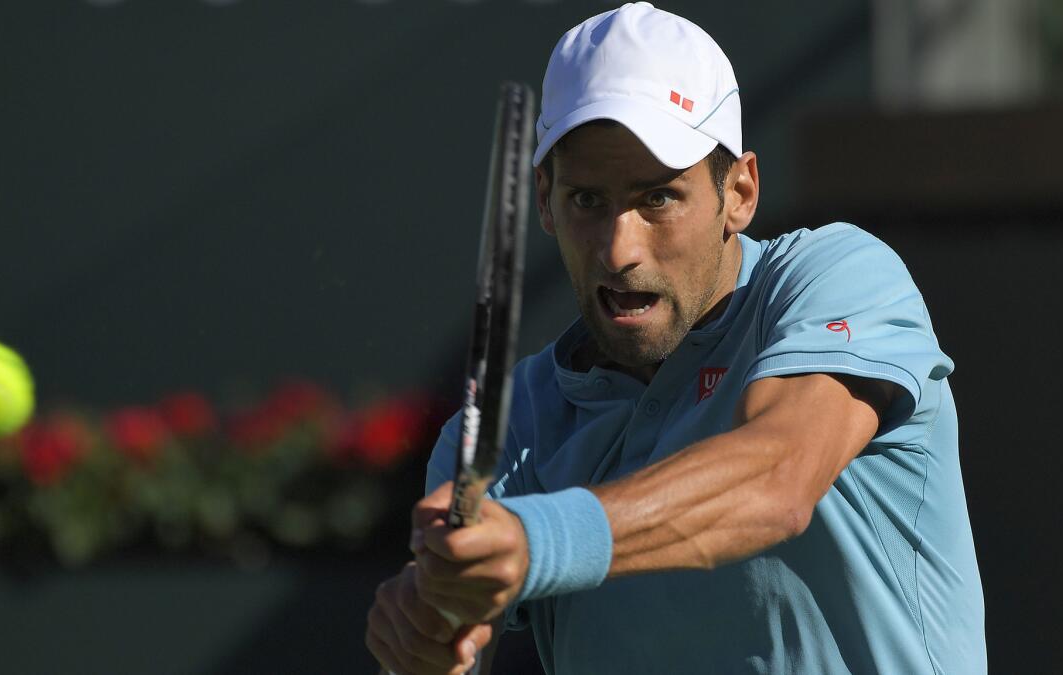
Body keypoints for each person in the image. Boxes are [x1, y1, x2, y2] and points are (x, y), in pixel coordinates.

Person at [366, 3, 987, 674]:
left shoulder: (839, 276)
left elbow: (778, 476)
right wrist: (430, 633)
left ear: (740, 191)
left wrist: (537, 538)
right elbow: (456, 630)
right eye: (587, 200)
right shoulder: (512, 421)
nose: (619, 248)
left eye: (658, 197)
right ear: (544, 199)